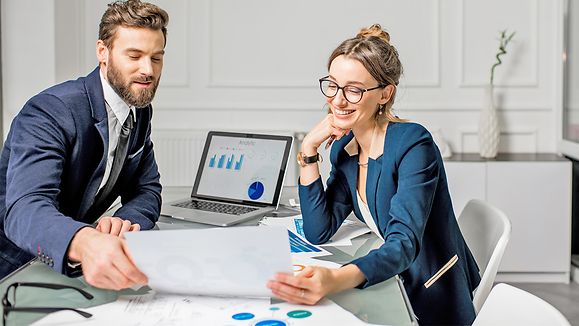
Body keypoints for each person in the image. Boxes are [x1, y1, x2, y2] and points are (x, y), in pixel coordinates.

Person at [267, 24, 481, 325]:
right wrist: (309, 149)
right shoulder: (344, 147)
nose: (338, 100)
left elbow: (403, 242)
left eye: (354, 90)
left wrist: (336, 279)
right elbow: (319, 229)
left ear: (385, 94)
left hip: (430, 295)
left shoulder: (414, 144)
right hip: (389, 281)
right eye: (333, 85)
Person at [0, 0, 168, 290]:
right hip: (14, 267)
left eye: (156, 57)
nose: (148, 70)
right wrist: (87, 242)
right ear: (103, 52)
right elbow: (25, 208)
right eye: (135, 55)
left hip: (69, 274)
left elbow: (146, 188)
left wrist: (124, 223)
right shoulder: (51, 110)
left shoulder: (139, 110)